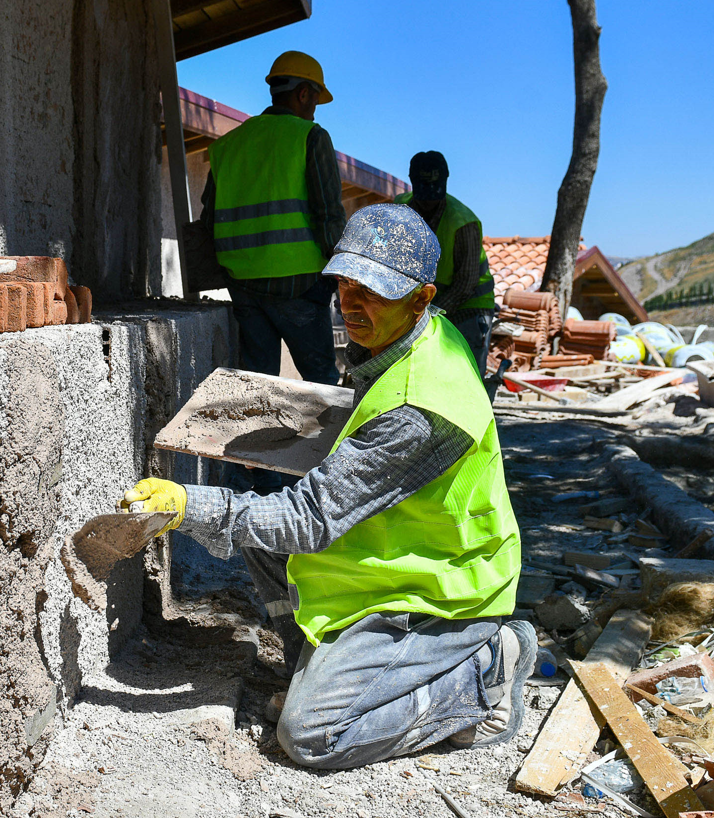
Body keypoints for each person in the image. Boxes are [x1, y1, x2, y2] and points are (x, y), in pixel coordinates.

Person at [122, 204, 532, 770]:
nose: (351, 303)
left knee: (313, 736)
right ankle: (305, 658)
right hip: (388, 562)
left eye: (374, 292)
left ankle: (484, 672)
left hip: (440, 593)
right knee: (256, 527)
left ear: (422, 297)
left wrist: (189, 504)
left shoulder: (422, 406)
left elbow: (310, 520)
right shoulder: (408, 337)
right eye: (345, 283)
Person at [199, 50, 346, 388]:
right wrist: (343, 276)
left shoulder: (228, 145)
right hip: (300, 286)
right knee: (321, 386)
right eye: (313, 102)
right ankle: (325, 444)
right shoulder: (311, 137)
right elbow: (329, 217)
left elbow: (210, 221)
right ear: (303, 93)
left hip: (244, 287)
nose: (313, 112)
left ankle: (254, 443)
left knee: (257, 388)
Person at [395, 151, 496, 369]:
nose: (429, 202)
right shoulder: (401, 209)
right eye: (423, 193)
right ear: (412, 182)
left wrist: (426, 315)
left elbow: (465, 285)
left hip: (470, 307)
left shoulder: (463, 222)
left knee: (465, 371)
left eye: (435, 192)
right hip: (427, 301)